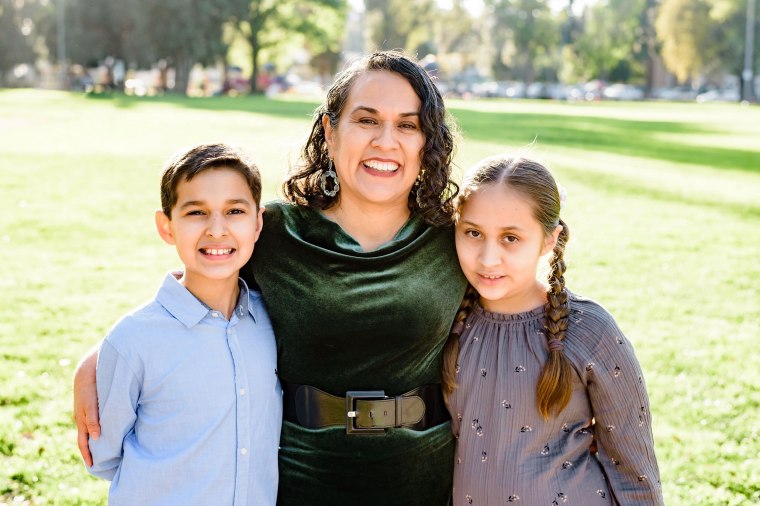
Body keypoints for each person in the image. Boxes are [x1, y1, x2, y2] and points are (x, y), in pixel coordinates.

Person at [74, 51, 468, 504]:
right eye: (366, 120)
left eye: (407, 124)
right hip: (300, 477)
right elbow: (196, 296)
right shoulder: (274, 233)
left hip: (422, 477)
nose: (385, 140)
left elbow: (518, 304)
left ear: (426, 140)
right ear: (330, 131)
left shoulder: (454, 239)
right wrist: (97, 359)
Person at [441, 155, 664, 505]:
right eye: (473, 233)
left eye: (510, 238)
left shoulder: (589, 331)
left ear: (549, 239)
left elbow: (634, 472)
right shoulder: (447, 321)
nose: (487, 258)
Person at [86, 143, 281, 505]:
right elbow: (105, 456)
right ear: (167, 226)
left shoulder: (273, 320)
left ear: (257, 223)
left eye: (234, 211)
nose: (217, 229)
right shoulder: (133, 340)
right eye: (196, 212)